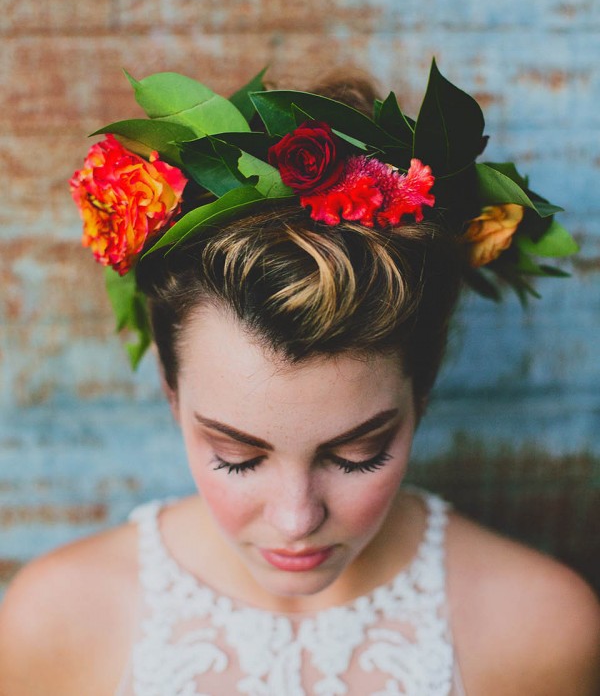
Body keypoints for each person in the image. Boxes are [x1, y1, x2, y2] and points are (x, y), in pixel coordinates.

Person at [0, 63, 598, 696]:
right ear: (171, 395)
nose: (295, 520)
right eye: (235, 457)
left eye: (357, 454)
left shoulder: (540, 629)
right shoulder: (55, 620)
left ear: (422, 394)